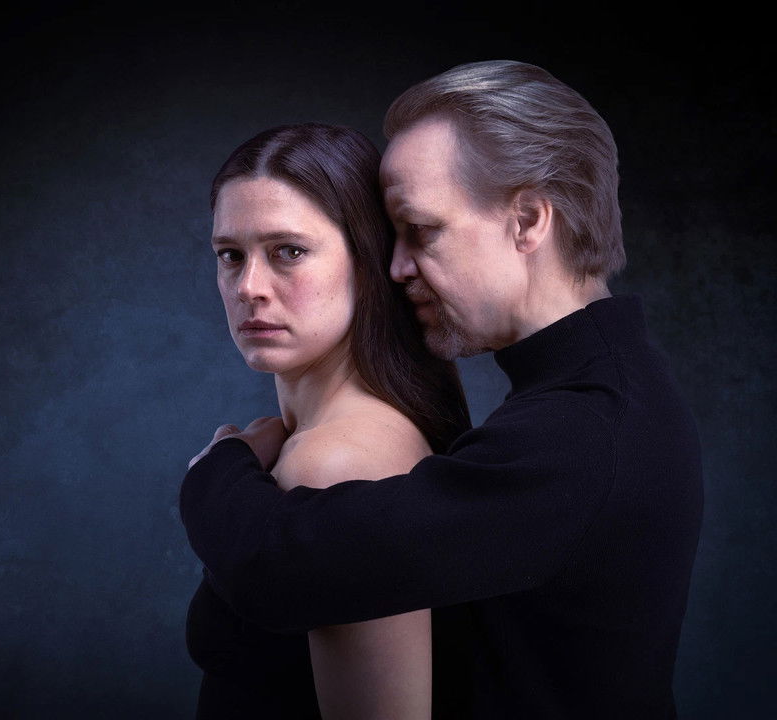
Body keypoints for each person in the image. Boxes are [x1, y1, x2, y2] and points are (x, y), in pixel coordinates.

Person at [181, 60, 703, 719]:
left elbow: (285, 570)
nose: (397, 267)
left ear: (527, 221)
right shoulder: (599, 397)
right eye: (229, 254)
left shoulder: (584, 433)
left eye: (422, 231)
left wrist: (216, 469)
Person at [185, 123, 470, 718]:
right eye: (230, 255)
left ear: (368, 261)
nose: (249, 287)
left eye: (288, 251)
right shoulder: (312, 442)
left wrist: (216, 472)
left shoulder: (339, 461)